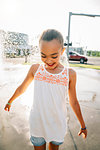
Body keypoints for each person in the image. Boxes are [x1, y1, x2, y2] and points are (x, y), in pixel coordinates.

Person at [4, 29, 87, 150]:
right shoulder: (35, 69)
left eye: (54, 56)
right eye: (43, 55)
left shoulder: (70, 74)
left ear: (62, 51)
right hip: (37, 123)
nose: (48, 60)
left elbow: (74, 102)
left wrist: (83, 125)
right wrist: (10, 101)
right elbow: (22, 88)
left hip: (57, 124)